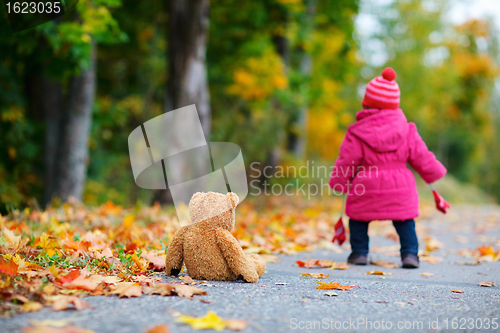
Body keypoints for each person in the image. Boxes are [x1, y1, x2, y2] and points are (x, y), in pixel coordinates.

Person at [329, 67, 446, 268]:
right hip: (400, 185)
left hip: (366, 185)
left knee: (357, 218)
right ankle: (409, 255)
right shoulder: (407, 129)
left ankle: (359, 253)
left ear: (366, 103)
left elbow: (347, 160)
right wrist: (433, 172)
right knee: (405, 220)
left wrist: (340, 182)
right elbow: (421, 155)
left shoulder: (357, 132)